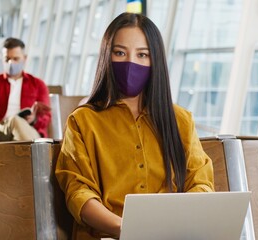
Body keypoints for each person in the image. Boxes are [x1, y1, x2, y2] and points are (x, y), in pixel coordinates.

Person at [55, 12, 215, 239]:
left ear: (155, 61)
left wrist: (176, 224)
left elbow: (201, 183)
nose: (131, 63)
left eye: (142, 55)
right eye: (120, 52)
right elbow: (78, 191)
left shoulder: (180, 120)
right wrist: (126, 229)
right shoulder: (82, 121)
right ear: (106, 57)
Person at [0, 37, 51, 141]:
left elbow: (46, 117)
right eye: (7, 59)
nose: (11, 63)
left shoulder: (38, 85)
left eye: (15, 59)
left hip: (30, 130)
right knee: (15, 120)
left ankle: (27, 151)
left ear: (25, 58)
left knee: (19, 127)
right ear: (2, 59)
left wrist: (34, 119)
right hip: (0, 131)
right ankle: (36, 154)